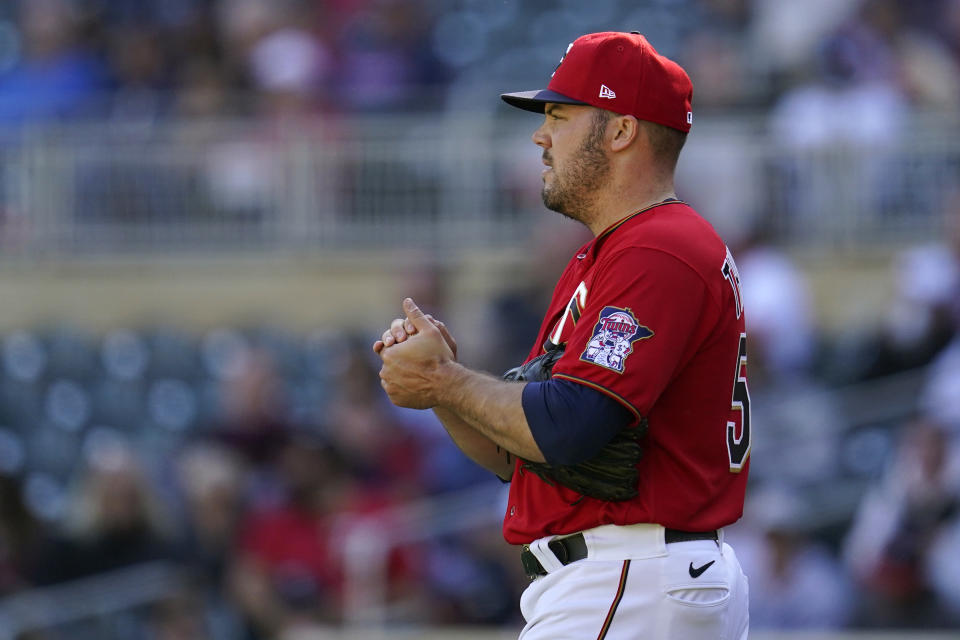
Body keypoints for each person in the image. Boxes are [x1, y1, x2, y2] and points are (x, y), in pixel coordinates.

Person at [374, 31, 751, 639]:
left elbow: (568, 425)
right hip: (633, 573)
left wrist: (445, 379)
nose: (540, 135)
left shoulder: (658, 247)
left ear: (621, 131)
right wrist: (439, 386)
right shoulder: (609, 254)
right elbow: (519, 449)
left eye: (560, 115)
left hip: (628, 574)